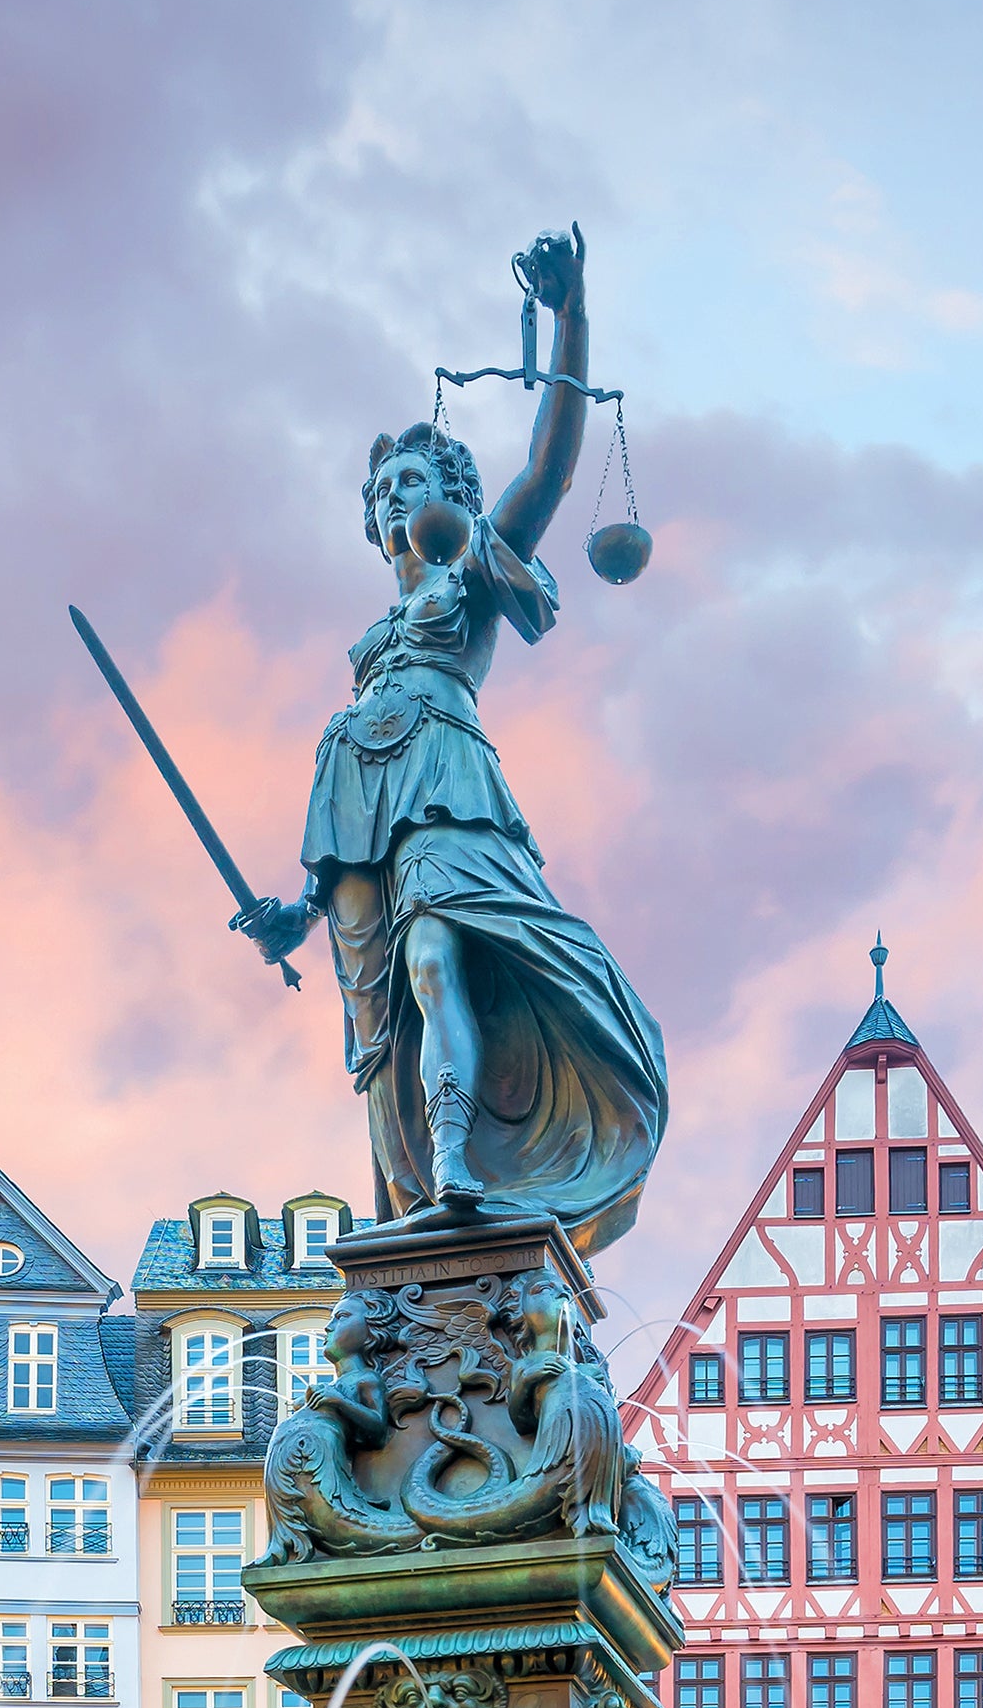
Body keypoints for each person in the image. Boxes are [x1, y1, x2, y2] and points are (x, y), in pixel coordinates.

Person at [235, 229, 669, 1258]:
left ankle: (462, 1167)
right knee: (381, 1039)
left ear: (455, 502)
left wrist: (570, 317)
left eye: (414, 483)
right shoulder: (371, 642)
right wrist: (290, 917)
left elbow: (552, 467)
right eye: (382, 493)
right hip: (353, 805)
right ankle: (413, 1219)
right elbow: (325, 868)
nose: (396, 500)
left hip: (443, 786)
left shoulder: (472, 570)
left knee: (437, 955)